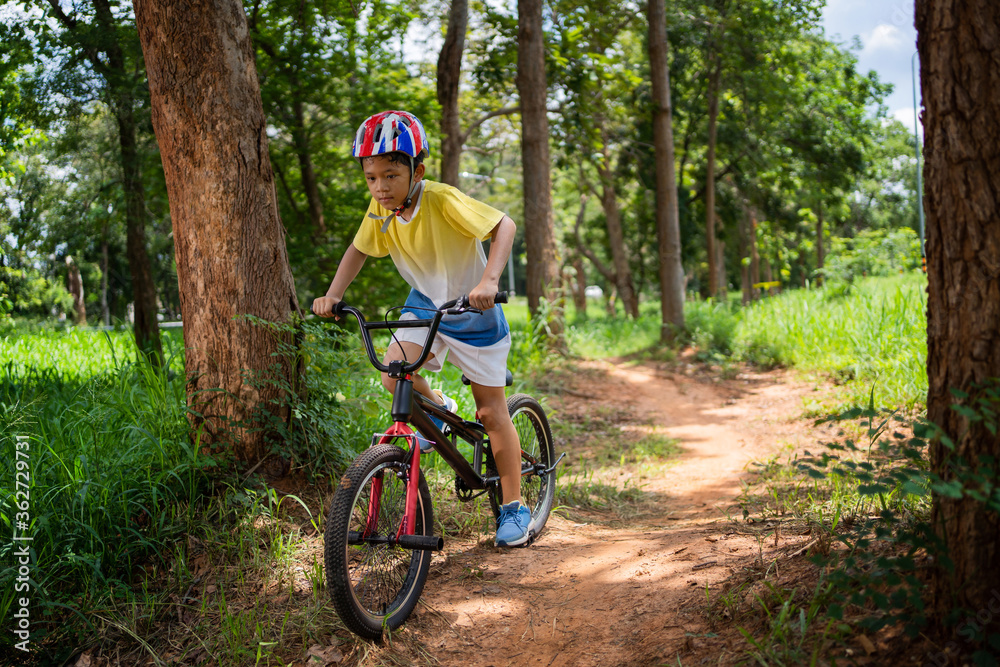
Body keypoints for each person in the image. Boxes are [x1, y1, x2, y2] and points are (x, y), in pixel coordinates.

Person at [311, 110, 531, 547]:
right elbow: (358, 250)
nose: (380, 187)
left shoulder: (442, 198)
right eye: (371, 177)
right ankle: (440, 407)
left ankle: (514, 507)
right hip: (425, 305)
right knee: (393, 372)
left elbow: (503, 224)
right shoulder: (380, 210)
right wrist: (333, 294)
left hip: (472, 310)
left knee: (489, 412)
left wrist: (489, 281)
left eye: (390, 175)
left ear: (418, 171)